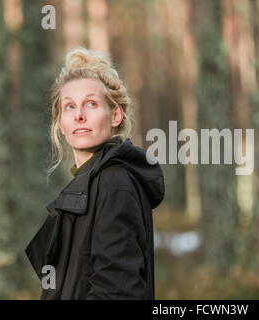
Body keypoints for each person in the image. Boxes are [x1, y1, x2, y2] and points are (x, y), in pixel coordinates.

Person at [25, 47, 165, 299]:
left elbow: (117, 291)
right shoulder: (88, 185)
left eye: (91, 103)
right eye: (69, 107)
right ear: (61, 124)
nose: (79, 115)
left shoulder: (115, 183)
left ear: (115, 115)